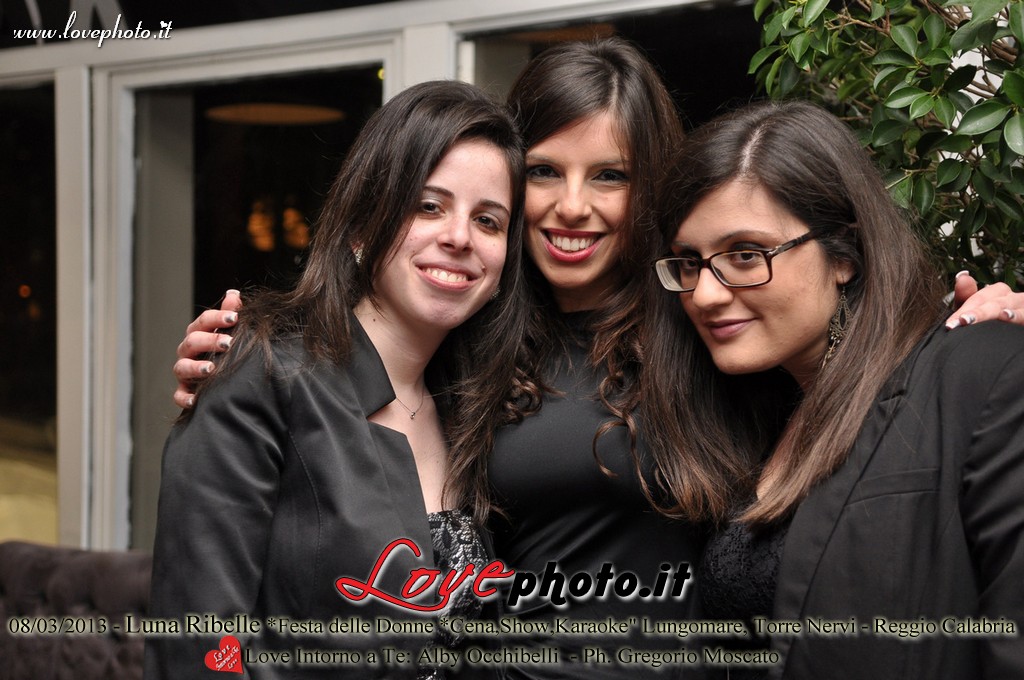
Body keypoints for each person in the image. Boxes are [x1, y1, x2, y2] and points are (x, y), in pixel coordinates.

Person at [167, 39, 1024, 679]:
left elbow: (874, 385)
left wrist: (980, 321)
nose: (571, 207)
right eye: (543, 173)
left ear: (651, 189)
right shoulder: (467, 343)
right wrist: (238, 367)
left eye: (609, 175)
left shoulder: (715, 330)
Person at [145, 80, 527, 680]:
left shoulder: (474, 411)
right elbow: (196, 647)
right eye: (428, 206)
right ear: (361, 228)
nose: (459, 237)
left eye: (488, 220)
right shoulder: (263, 377)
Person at [653, 99, 1024, 679]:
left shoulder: (976, 374)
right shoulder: (754, 410)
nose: (704, 295)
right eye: (689, 262)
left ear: (843, 254)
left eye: (746, 254)